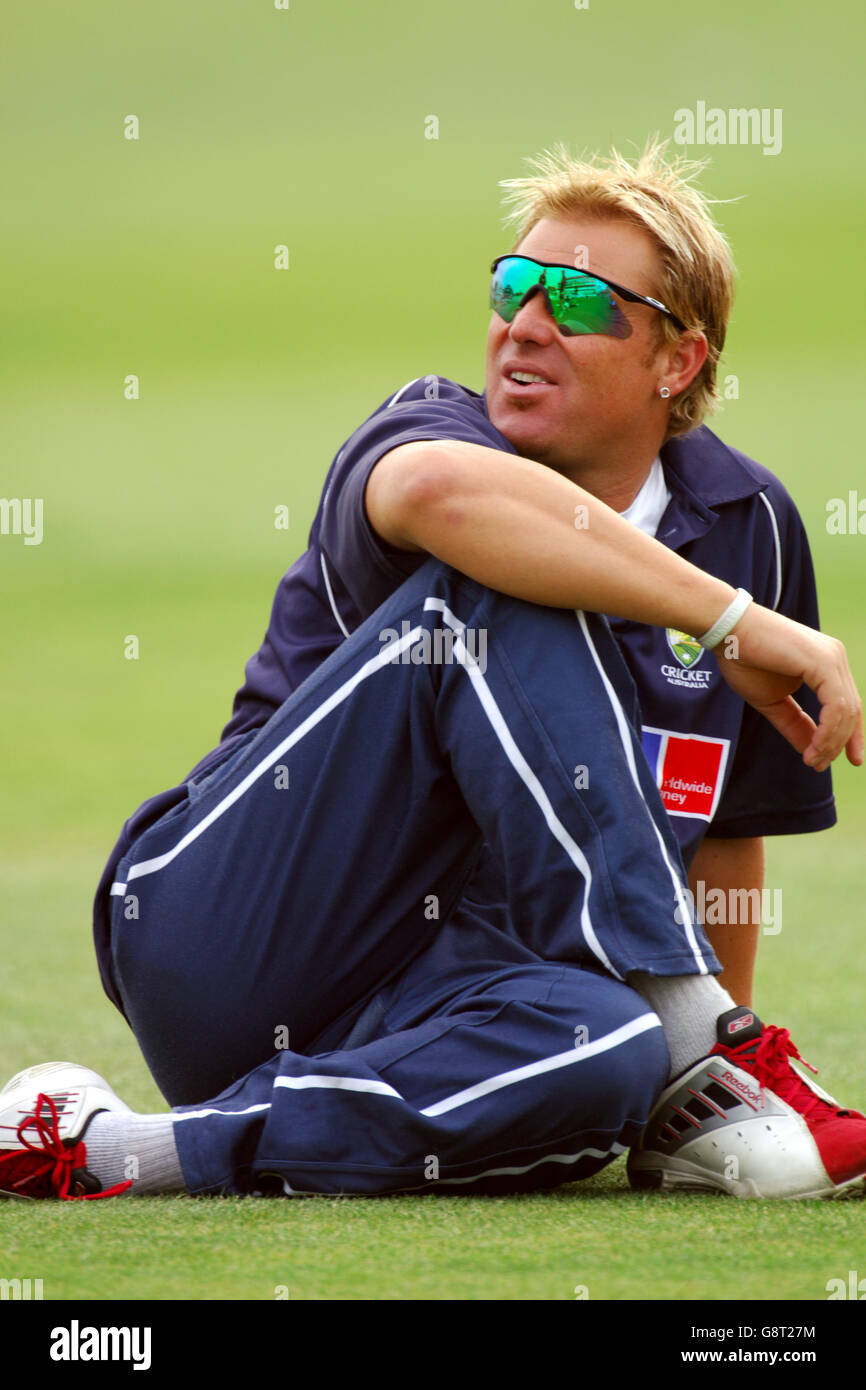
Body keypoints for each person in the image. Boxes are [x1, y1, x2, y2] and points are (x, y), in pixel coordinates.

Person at [2, 140, 864, 1204]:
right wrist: (730, 622)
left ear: (674, 362)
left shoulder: (746, 522)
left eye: (578, 301)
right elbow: (446, 503)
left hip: (444, 997)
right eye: (514, 286)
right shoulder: (437, 434)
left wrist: (706, 1083)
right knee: (493, 593)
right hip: (224, 928)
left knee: (613, 1050)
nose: (525, 324)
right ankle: (697, 1042)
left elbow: (729, 830)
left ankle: (117, 1149)